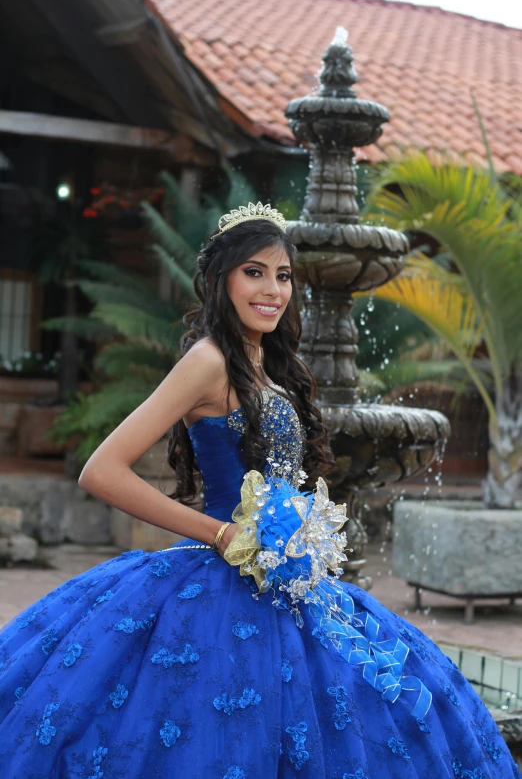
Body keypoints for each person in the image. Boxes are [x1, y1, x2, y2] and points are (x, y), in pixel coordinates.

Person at [0, 203, 519, 779]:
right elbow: (102, 469)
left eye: (283, 275)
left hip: (292, 586)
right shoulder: (207, 360)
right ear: (221, 279)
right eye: (254, 272)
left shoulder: (269, 365)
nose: (272, 289)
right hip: (220, 585)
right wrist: (222, 534)